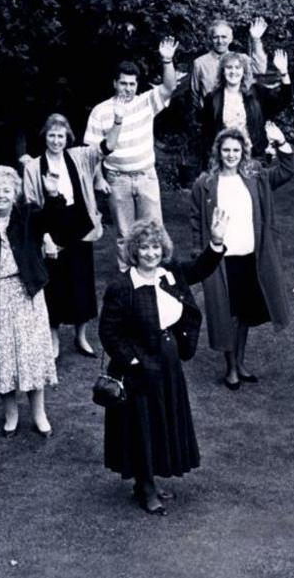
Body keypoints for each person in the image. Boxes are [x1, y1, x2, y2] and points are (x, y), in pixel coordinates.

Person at [98, 215, 228, 515]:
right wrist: (132, 361)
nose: (151, 253)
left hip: (167, 362)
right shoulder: (122, 286)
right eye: (144, 248)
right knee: (141, 426)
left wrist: (217, 242)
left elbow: (199, 269)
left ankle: (150, 480)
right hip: (138, 368)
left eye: (156, 247)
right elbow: (109, 332)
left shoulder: (169, 273)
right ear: (134, 251)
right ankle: (145, 487)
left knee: (162, 421)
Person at [190, 123, 294, 390]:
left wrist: (282, 142)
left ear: (243, 151)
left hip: (250, 254)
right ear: (218, 152)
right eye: (226, 150)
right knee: (227, 313)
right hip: (220, 259)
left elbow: (287, 170)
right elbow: (195, 221)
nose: (231, 155)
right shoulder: (205, 183)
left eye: (236, 150)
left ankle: (240, 362)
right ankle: (230, 368)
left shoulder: (255, 176)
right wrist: (198, 255)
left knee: (245, 314)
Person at [0, 166, 58, 437]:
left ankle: (39, 414)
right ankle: (11, 414)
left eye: (7, 190)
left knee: (31, 356)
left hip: (27, 294)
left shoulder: (26, 216)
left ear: (15, 193)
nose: (1, 195)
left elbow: (52, 220)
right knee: (3, 358)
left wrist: (52, 195)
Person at [21, 112, 122, 358]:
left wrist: (117, 122)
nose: (57, 140)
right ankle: (54, 341)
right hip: (50, 229)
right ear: (46, 137)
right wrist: (44, 236)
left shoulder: (79, 156)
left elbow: (106, 147)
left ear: (68, 137)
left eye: (61, 136)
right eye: (52, 135)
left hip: (78, 225)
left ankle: (81, 336)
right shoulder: (33, 167)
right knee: (54, 285)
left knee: (81, 283)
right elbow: (31, 206)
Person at [83, 39, 179, 271]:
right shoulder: (100, 111)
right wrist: (98, 178)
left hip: (146, 176)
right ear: (115, 83)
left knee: (154, 229)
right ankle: (127, 280)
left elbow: (169, 87)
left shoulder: (146, 102)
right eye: (123, 84)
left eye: (132, 84)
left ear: (137, 85)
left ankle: (159, 276)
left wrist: (167, 60)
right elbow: (92, 152)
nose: (128, 88)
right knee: (125, 233)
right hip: (118, 179)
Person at [199, 49, 292, 161]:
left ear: (244, 71)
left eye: (238, 67)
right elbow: (206, 135)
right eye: (229, 67)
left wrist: (284, 73)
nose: (233, 71)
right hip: (224, 159)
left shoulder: (257, 93)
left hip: (254, 157)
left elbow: (284, 100)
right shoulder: (212, 98)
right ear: (223, 71)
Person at [189, 17, 268, 109]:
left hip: (239, 115)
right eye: (215, 37)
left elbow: (260, 69)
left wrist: (256, 40)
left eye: (224, 37)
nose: (220, 41)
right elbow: (194, 95)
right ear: (210, 39)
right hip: (211, 118)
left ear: (231, 39)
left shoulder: (242, 59)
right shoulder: (200, 63)